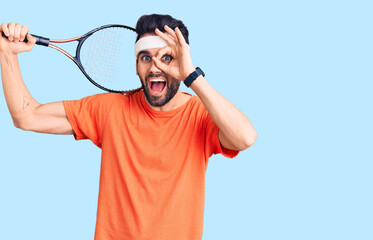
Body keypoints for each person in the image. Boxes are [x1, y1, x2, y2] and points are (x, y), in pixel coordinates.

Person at [0, 14, 257, 240]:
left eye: (167, 58)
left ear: (182, 63)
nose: (156, 66)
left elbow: (245, 138)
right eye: (146, 57)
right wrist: (7, 53)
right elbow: (27, 116)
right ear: (136, 66)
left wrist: (192, 76)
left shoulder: (200, 115)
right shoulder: (111, 109)